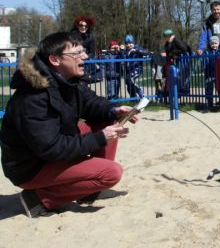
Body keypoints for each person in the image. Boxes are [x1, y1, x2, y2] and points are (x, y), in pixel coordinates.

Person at [0, 32, 138, 218]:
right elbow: (51, 148)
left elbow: (92, 104)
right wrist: (100, 138)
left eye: (83, 51)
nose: (85, 56)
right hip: (30, 166)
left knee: (108, 119)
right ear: (55, 60)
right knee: (111, 174)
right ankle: (40, 198)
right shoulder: (33, 97)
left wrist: (115, 110)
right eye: (77, 53)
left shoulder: (69, 81)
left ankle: (87, 189)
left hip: (50, 149)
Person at [163, 29, 191, 94]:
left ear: (172, 36)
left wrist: (173, 53)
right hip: (178, 59)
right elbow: (167, 51)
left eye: (168, 36)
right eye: (166, 36)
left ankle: (185, 89)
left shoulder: (177, 41)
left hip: (185, 59)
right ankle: (180, 88)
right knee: (178, 74)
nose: (167, 38)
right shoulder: (168, 43)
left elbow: (184, 49)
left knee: (183, 73)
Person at [123, 34, 148, 99]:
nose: (128, 45)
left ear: (133, 42)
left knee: (130, 80)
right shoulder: (126, 50)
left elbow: (146, 52)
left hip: (137, 68)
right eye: (127, 43)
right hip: (129, 70)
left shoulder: (137, 47)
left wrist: (137, 51)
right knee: (128, 85)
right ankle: (134, 100)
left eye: (130, 43)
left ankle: (140, 93)